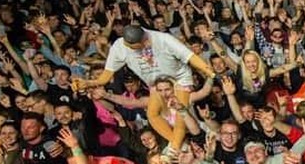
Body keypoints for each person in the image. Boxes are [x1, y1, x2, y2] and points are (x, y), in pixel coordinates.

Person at [72, 25, 217, 154]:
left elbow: (190, 56)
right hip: (156, 83)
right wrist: (89, 83)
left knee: (180, 115)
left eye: (145, 41)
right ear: (129, 44)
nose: (145, 44)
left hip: (179, 79)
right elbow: (106, 76)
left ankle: (174, 148)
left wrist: (209, 71)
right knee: (152, 114)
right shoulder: (119, 47)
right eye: (139, 46)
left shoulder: (163, 39)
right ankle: (179, 145)